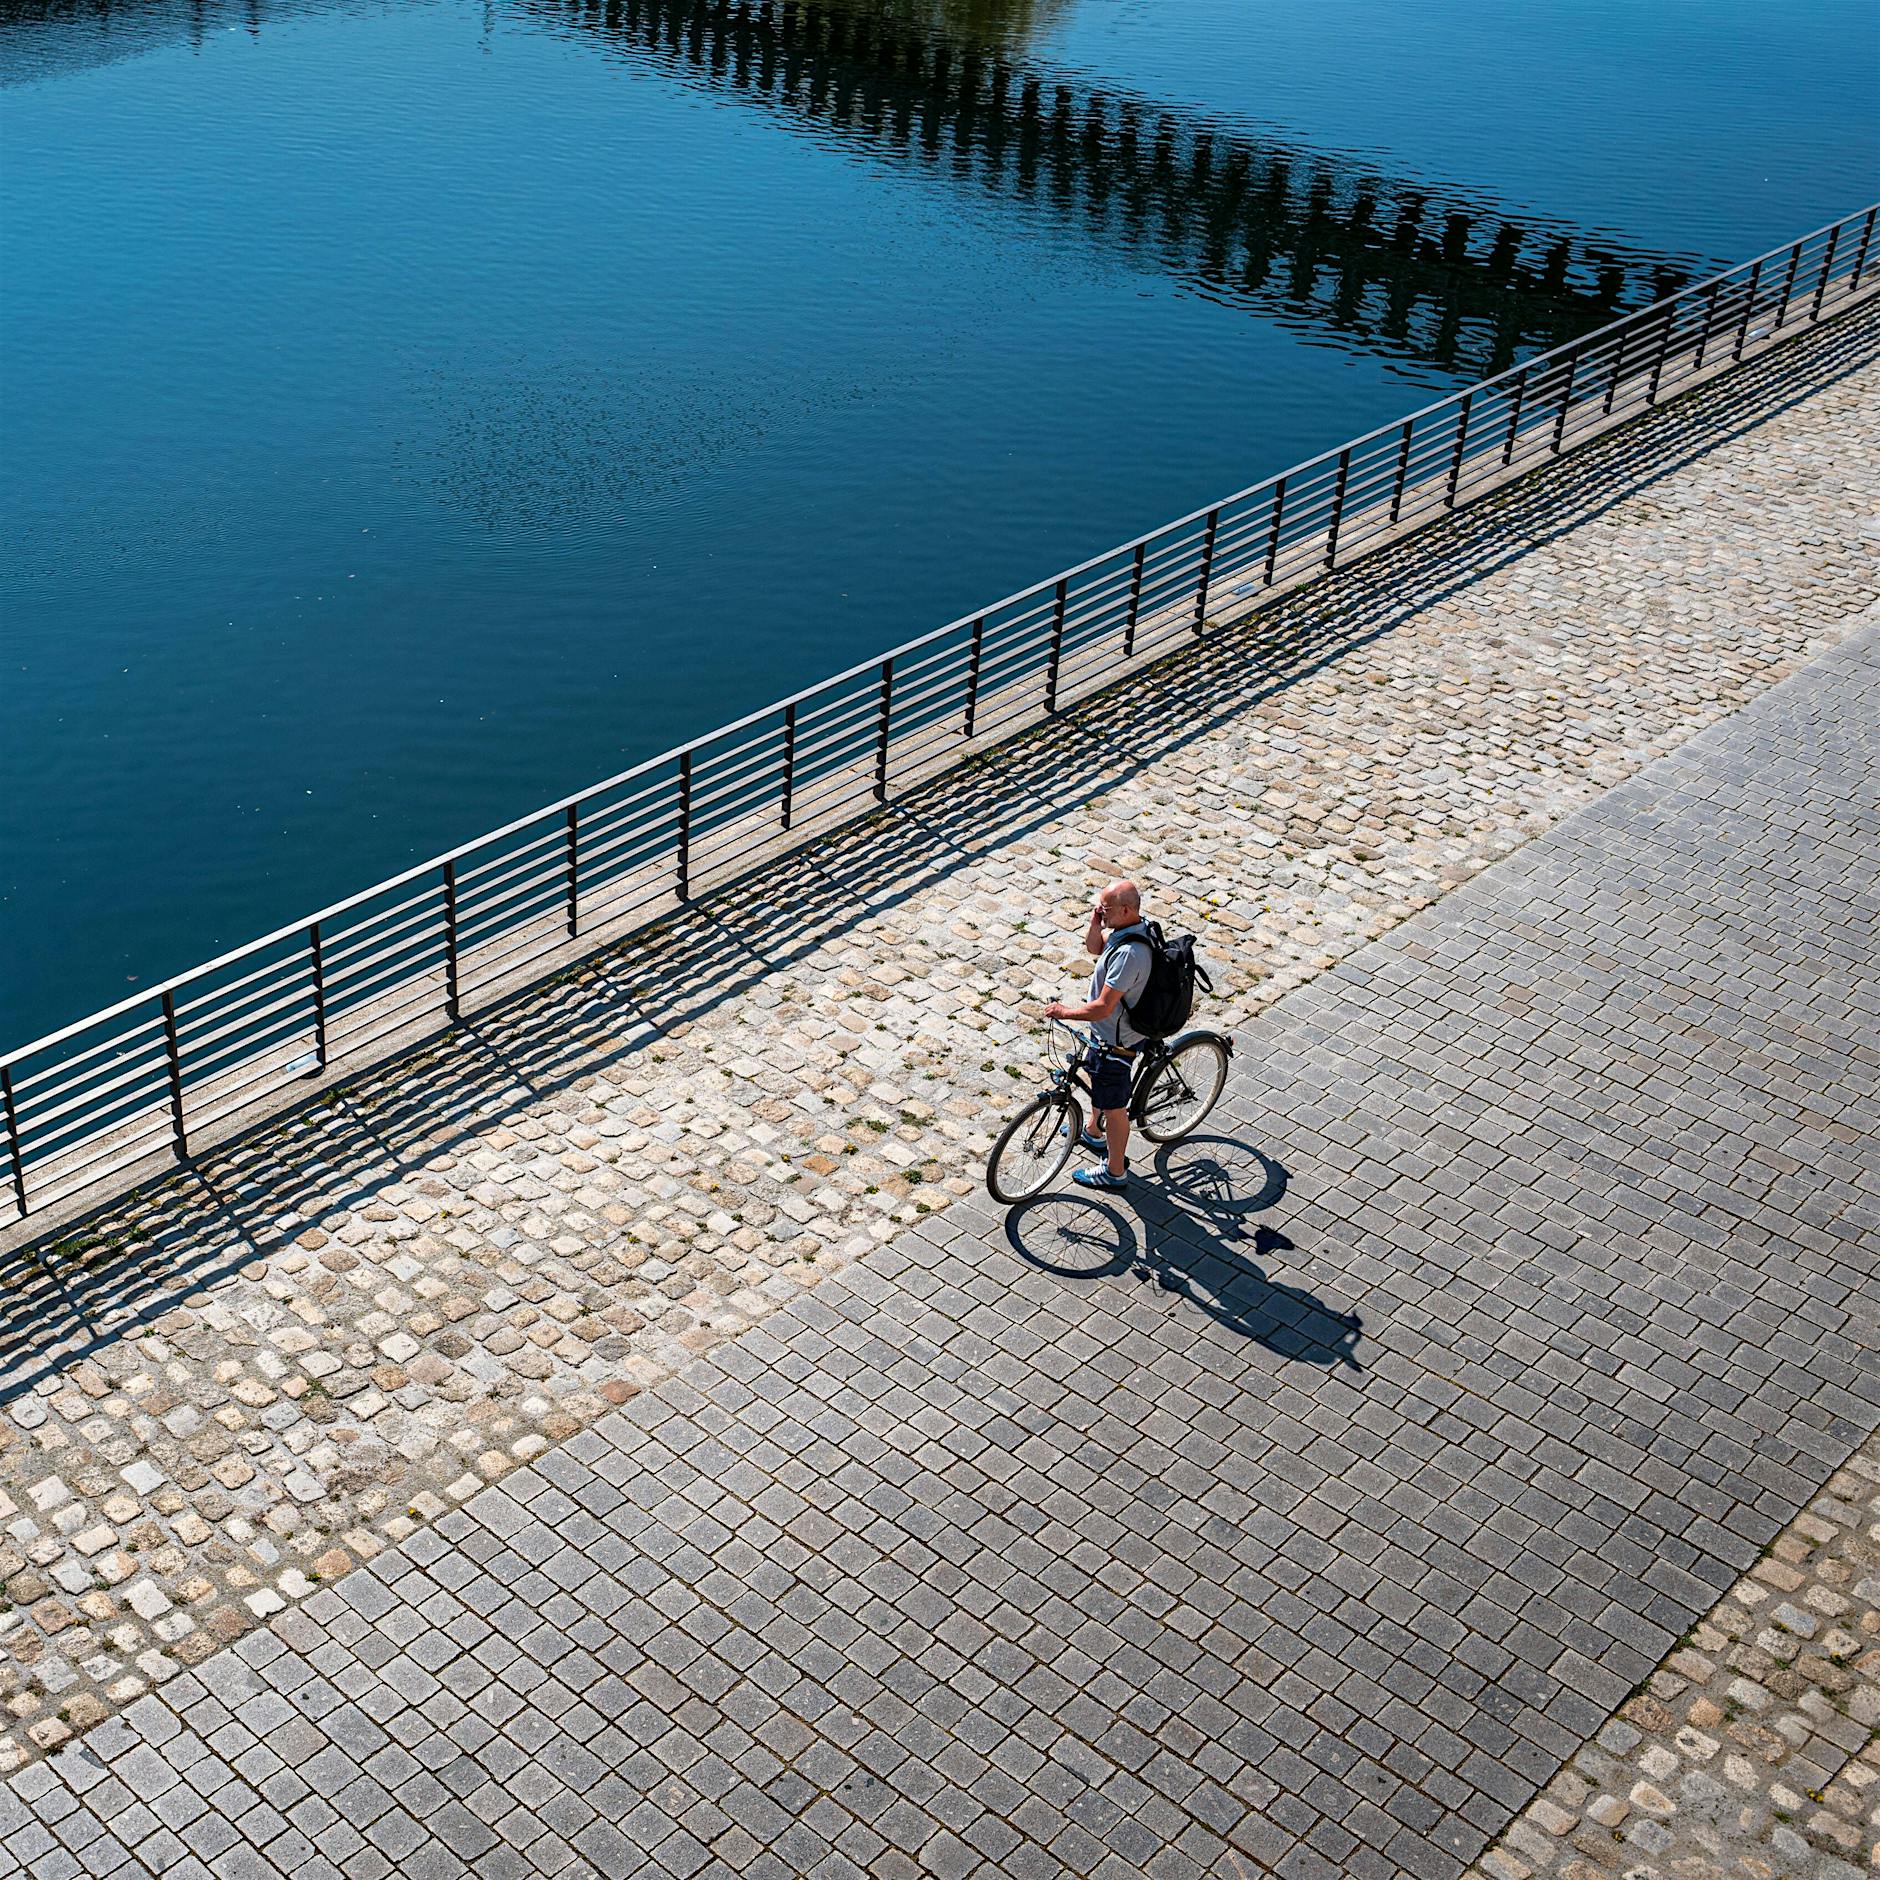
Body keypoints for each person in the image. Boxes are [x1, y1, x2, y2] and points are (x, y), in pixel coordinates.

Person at [1043, 879, 1152, 1191]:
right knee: (1097, 1082)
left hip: (1117, 1042)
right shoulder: (1124, 930)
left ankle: (1115, 1171)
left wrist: (1065, 1013)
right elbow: (1095, 948)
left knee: (1116, 1110)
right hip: (1103, 1034)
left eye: (1106, 910)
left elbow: (1103, 1007)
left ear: (1126, 910)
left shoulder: (1130, 953)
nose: (1102, 914)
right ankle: (1092, 1130)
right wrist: (1096, 920)